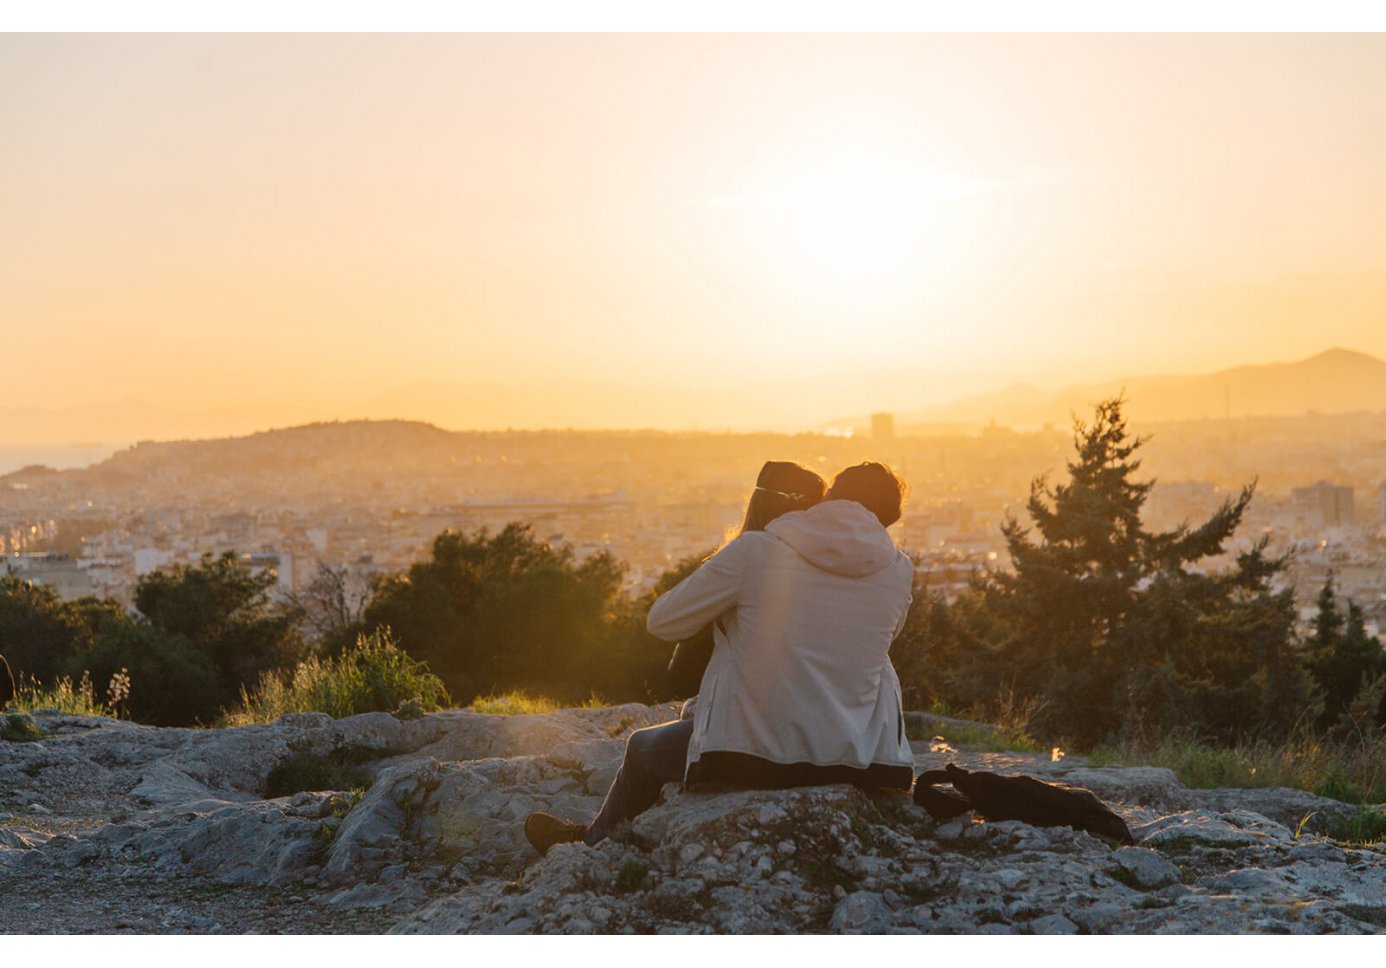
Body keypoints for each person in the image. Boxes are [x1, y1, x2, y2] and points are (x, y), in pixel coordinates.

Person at [523, 460, 914, 855]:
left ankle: (589, 845)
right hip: (860, 760)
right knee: (695, 712)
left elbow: (663, 621)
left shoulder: (758, 550)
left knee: (642, 749)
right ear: (886, 520)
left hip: (754, 756)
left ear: (828, 496)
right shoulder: (899, 571)